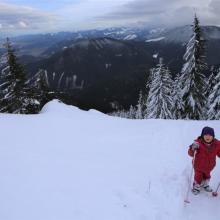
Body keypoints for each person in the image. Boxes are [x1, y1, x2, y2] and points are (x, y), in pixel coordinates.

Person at [188, 126, 220, 195]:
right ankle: (196, 187)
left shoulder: (217, 144)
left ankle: (205, 185)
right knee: (198, 177)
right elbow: (191, 154)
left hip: (210, 166)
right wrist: (192, 148)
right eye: (205, 135)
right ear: (202, 136)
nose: (208, 137)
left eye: (210, 135)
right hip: (198, 165)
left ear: (213, 136)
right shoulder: (198, 144)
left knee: (207, 176)